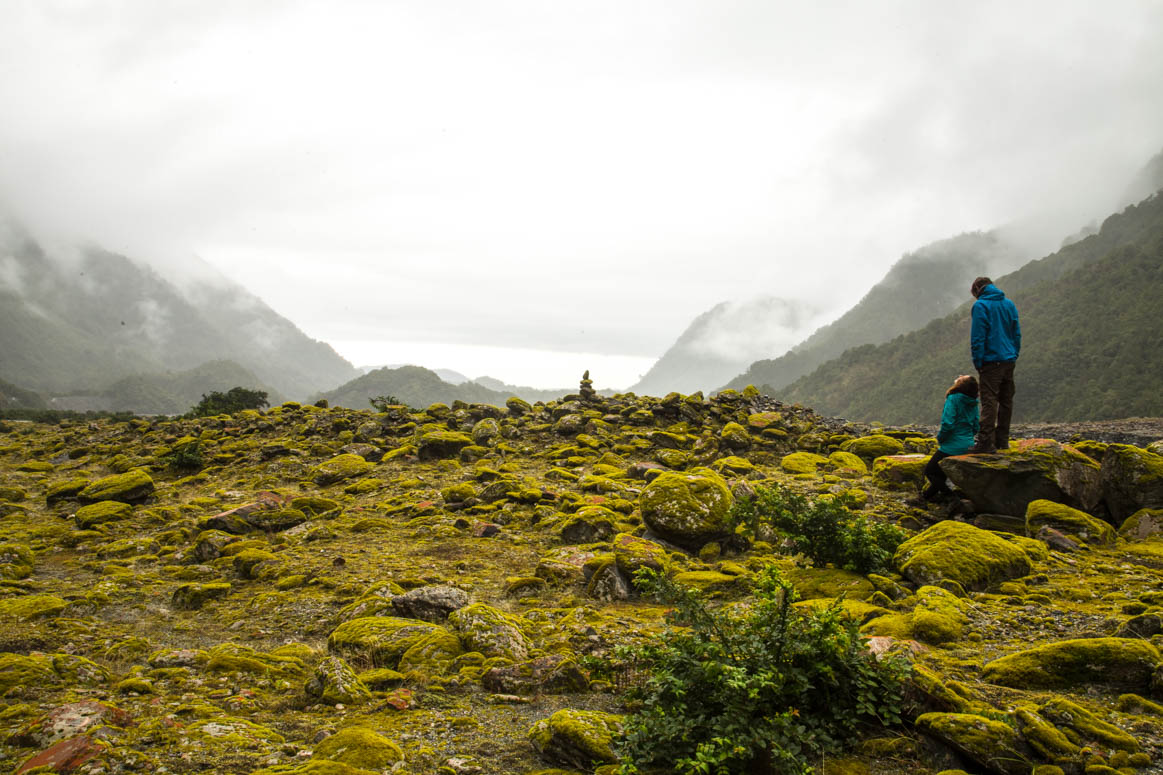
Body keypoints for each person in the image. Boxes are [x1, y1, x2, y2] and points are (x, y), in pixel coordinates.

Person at [968, 276, 1020, 453]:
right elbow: (1016, 333)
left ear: (977, 288)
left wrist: (978, 362)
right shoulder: (1009, 304)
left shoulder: (981, 306)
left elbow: (978, 337)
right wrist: (1014, 353)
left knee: (989, 401)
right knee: (1006, 401)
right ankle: (1002, 441)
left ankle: (985, 443)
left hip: (991, 361)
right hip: (1009, 360)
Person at [923, 374, 980, 501]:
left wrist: (941, 438)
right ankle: (925, 497)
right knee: (941, 473)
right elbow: (976, 425)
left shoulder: (953, 398)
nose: (960, 376)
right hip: (968, 443)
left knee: (930, 471)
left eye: (963, 377)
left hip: (952, 444)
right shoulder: (973, 402)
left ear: (961, 384)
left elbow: (948, 423)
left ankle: (952, 498)